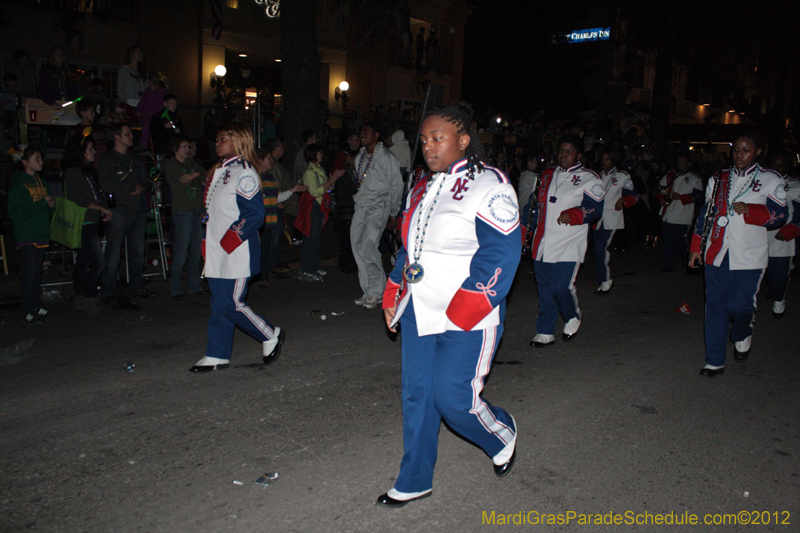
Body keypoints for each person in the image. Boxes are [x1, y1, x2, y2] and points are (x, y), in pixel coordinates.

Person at [378, 103, 519, 507]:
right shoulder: (423, 186)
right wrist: (393, 292)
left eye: (437, 137)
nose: (427, 146)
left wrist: (466, 308)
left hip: (468, 312)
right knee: (417, 395)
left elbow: (501, 254)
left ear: (463, 139)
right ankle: (415, 478)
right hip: (420, 309)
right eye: (423, 139)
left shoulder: (491, 184)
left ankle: (501, 432)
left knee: (453, 400)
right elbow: (411, 249)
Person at [689, 132, 788, 377]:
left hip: (749, 254)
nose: (740, 155)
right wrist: (695, 246)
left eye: (746, 150)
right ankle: (714, 361)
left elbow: (781, 214)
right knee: (715, 307)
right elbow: (706, 214)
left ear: (757, 152)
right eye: (736, 150)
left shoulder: (769, 179)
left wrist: (753, 211)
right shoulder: (719, 178)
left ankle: (743, 330)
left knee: (740, 306)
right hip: (717, 251)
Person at [190, 123, 285, 372]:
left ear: (238, 142)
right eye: (218, 138)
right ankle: (217, 353)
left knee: (230, 303)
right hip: (216, 249)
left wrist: (229, 240)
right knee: (218, 303)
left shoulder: (245, 172)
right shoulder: (219, 171)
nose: (217, 143)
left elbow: (254, 214)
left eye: (223, 139)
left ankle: (269, 333)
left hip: (236, 250)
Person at [526, 134, 605, 347]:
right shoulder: (546, 174)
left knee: (560, 287)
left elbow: (595, 209)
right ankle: (545, 331)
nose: (564, 155)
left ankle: (572, 314)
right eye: (561, 151)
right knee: (544, 290)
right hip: (543, 241)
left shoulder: (591, 178)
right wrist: (524, 229)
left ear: (579, 155)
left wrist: (576, 213)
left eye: (569, 151)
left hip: (569, 241)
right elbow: (533, 206)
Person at [97, 123, 155, 305]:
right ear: (117, 137)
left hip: (137, 211)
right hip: (118, 212)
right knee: (113, 254)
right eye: (127, 133)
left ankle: (137, 287)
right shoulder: (107, 159)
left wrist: (142, 186)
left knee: (137, 253)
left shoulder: (135, 159)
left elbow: (146, 180)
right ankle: (107, 290)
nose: (131, 136)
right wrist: (130, 187)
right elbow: (104, 184)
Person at [351, 123, 403, 308]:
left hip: (379, 207)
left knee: (368, 246)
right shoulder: (361, 157)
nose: (363, 134)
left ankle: (377, 292)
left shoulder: (386, 157)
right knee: (356, 246)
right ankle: (367, 291)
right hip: (361, 206)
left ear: (377, 135)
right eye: (361, 131)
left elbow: (396, 186)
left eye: (367, 132)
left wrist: (393, 213)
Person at [63, 138, 112, 315]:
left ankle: (81, 298)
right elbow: (78, 199)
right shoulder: (73, 172)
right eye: (90, 149)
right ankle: (89, 297)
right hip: (83, 221)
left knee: (83, 262)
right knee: (99, 262)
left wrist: (101, 210)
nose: (93, 152)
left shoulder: (86, 172)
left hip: (91, 219)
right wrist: (100, 208)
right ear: (81, 153)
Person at [8, 148, 55, 325]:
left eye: (41, 158)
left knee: (36, 272)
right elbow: (14, 212)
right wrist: (41, 204)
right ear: (25, 162)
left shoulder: (42, 182)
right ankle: (27, 310)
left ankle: (37, 306)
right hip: (26, 233)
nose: (41, 162)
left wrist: (50, 205)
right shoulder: (19, 185)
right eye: (36, 159)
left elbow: (48, 209)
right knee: (29, 273)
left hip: (41, 231)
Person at [163, 135, 205, 299]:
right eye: (184, 147)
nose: (188, 149)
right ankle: (176, 288)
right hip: (183, 210)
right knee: (181, 249)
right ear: (175, 150)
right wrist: (197, 178)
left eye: (188, 146)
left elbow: (206, 175)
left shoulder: (192, 164)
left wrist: (195, 175)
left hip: (197, 208)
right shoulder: (171, 166)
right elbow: (183, 184)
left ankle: (194, 285)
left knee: (195, 248)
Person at [592, 148, 639, 294]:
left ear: (613, 161)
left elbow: (634, 195)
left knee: (601, 248)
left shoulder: (622, 176)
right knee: (597, 250)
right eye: (603, 159)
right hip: (597, 219)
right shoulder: (597, 176)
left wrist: (623, 201)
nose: (604, 162)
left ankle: (606, 281)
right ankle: (602, 280)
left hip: (611, 218)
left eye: (607, 159)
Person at [257, 150, 306, 286]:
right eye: (268, 158)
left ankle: (265, 275)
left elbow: (276, 198)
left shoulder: (269, 178)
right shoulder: (256, 178)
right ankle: (261, 277)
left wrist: (293, 190)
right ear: (260, 161)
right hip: (260, 220)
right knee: (261, 249)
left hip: (269, 219)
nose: (271, 161)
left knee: (267, 249)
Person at [296, 144, 344, 279]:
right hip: (313, 207)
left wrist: (331, 183)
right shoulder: (310, 172)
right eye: (319, 153)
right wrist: (331, 181)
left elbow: (326, 189)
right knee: (311, 238)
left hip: (320, 206)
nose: (321, 155)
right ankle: (308, 267)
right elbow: (315, 191)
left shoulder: (318, 169)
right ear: (313, 155)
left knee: (315, 238)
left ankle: (313, 265)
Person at [764, 151, 800, 318]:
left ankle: (779, 299)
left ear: (788, 167)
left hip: (780, 237)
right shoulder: (760, 182)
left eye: (780, 165)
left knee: (776, 276)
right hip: (758, 235)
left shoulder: (796, 185)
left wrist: (788, 231)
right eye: (773, 164)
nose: (776, 168)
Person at [656, 154, 703, 272]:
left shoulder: (694, 178)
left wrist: (682, 197)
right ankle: (668, 265)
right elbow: (659, 189)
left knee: (680, 239)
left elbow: (700, 196)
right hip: (668, 214)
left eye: (683, 162)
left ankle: (689, 262)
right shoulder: (670, 176)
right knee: (668, 241)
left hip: (683, 215)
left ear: (688, 163)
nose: (680, 164)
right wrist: (661, 199)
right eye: (679, 162)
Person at [136, 74, 169, 149]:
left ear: (156, 84)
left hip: (158, 118)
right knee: (145, 129)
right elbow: (142, 102)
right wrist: (139, 111)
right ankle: (143, 147)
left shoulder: (164, 93)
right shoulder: (148, 91)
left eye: (151, 84)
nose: (149, 86)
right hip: (147, 117)